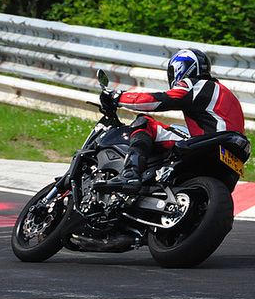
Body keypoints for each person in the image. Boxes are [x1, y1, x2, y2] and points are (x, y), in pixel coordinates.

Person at [101, 48, 245, 194]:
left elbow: (160, 100)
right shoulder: (227, 94)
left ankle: (130, 174)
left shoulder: (196, 84)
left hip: (210, 142)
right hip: (235, 153)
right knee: (178, 129)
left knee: (145, 122)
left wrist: (118, 97)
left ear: (181, 68)